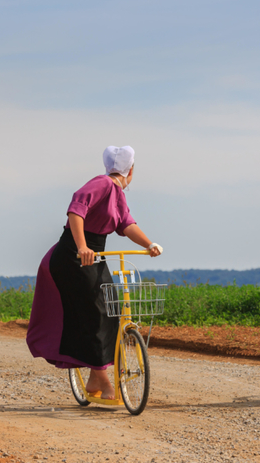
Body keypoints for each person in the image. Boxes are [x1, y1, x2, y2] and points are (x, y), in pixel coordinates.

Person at [26, 146, 162, 400]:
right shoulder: (101, 184)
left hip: (94, 255)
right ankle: (103, 380)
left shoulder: (118, 195)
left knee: (110, 309)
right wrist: (82, 246)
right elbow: (76, 210)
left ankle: (93, 377)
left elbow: (127, 225)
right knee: (96, 312)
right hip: (72, 256)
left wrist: (149, 244)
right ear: (130, 169)